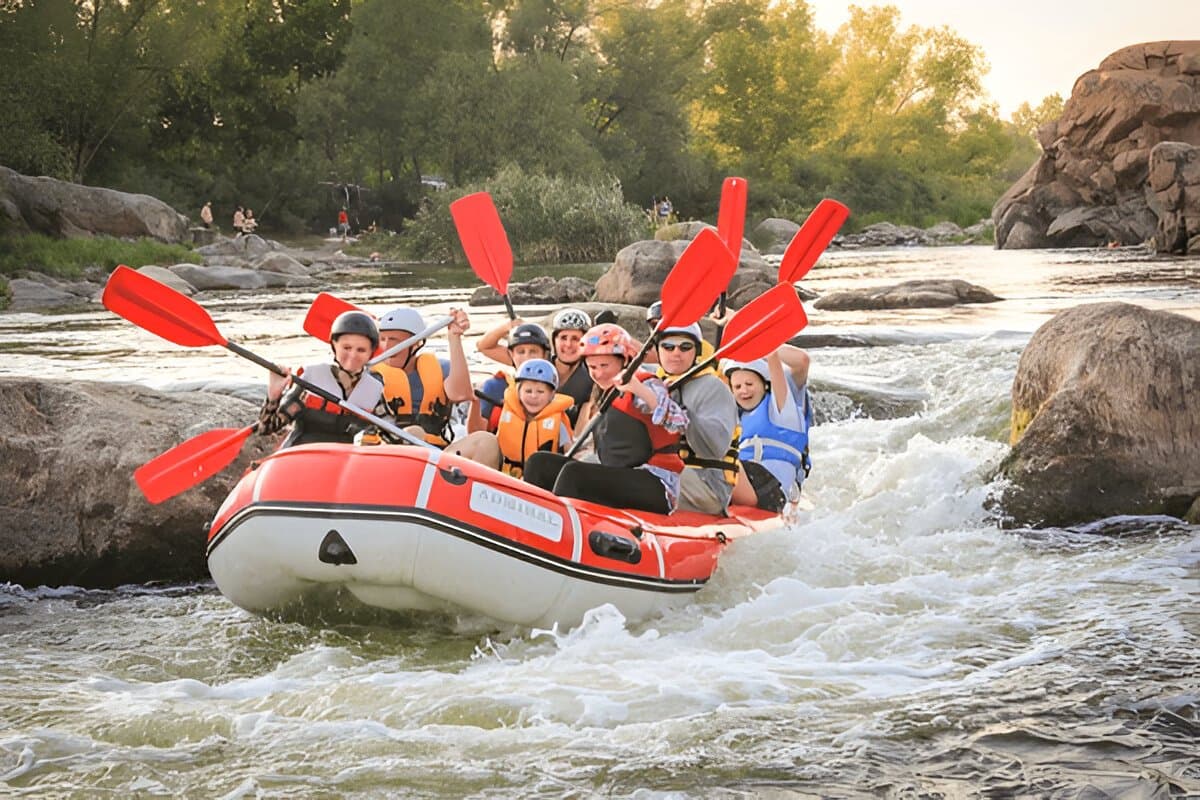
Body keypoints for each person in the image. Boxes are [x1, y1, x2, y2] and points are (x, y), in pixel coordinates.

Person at [524, 324, 688, 514]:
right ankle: (530, 519)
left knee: (574, 475)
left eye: (605, 365)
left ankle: (558, 524)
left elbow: (679, 423)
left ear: (624, 360)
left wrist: (639, 390)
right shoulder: (603, 391)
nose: (599, 373)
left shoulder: (645, 383)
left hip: (656, 483)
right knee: (539, 463)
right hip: (619, 472)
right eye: (592, 367)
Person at [373, 304, 500, 465]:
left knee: (486, 441)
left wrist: (454, 338)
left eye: (394, 340)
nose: (387, 347)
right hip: (386, 454)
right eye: (383, 339)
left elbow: (461, 394)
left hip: (437, 454)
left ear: (416, 343)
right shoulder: (370, 374)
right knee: (414, 432)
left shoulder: (440, 368)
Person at [258, 311, 391, 448]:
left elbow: (390, 435)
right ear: (334, 345)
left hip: (348, 459)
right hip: (302, 454)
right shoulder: (311, 378)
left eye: (361, 350)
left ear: (371, 353)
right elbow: (266, 429)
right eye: (346, 348)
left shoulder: (375, 389)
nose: (352, 355)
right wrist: (274, 396)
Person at [654, 322, 740, 515]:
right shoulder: (653, 385)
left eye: (685, 347)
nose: (676, 353)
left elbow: (714, 449)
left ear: (697, 352)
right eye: (668, 347)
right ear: (658, 351)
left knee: (641, 472)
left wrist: (682, 414)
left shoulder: (713, 387)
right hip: (669, 474)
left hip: (707, 486)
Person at [723, 351, 813, 513]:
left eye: (749, 384)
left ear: (765, 384)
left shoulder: (782, 408)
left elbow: (793, 361)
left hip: (771, 490)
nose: (744, 390)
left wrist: (762, 348)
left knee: (723, 464)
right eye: (737, 387)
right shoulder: (736, 418)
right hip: (744, 481)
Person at [476, 309, 594, 425]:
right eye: (563, 338)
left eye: (575, 339)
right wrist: (507, 327)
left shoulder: (595, 372)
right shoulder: (537, 361)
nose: (568, 344)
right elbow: (484, 347)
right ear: (554, 341)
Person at [494, 358, 573, 478]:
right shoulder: (507, 414)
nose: (534, 396)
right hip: (506, 474)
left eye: (540, 392)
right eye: (528, 391)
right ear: (518, 392)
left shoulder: (558, 423)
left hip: (539, 479)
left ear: (552, 395)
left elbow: (569, 451)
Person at [468, 321, 553, 433]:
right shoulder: (495, 387)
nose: (527, 357)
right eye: (521, 352)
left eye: (533, 351)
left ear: (545, 355)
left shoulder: (555, 385)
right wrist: (507, 326)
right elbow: (475, 433)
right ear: (511, 355)